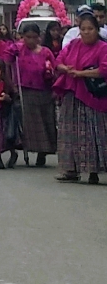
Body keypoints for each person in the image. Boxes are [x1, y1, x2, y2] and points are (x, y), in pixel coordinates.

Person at [54, 10, 107, 183]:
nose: (86, 32)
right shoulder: (73, 45)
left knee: (93, 134)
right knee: (69, 133)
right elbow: (59, 61)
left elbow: (104, 70)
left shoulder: (103, 47)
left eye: (90, 29)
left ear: (97, 30)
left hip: (92, 97)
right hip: (72, 94)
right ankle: (71, 170)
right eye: (83, 29)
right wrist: (66, 69)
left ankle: (94, 171)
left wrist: (82, 73)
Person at [7, 22, 57, 167]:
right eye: (27, 37)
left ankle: (43, 153)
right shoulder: (17, 49)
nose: (31, 40)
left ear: (39, 37)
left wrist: (55, 89)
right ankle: (28, 148)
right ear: (22, 37)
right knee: (28, 125)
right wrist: (12, 85)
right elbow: (5, 62)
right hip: (25, 91)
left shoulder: (46, 52)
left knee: (46, 122)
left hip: (44, 91)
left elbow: (54, 71)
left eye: (34, 37)